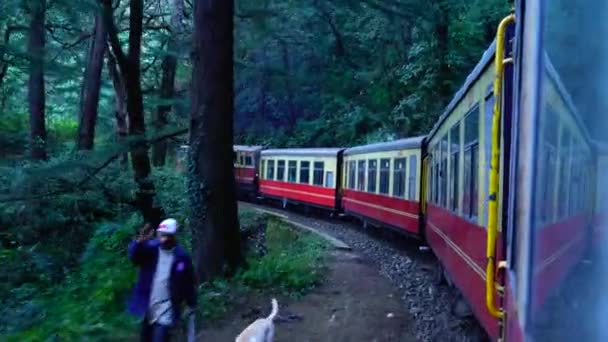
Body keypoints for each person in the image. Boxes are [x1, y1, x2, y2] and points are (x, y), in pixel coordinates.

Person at [127, 218, 197, 342]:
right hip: (149, 306)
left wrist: (191, 303)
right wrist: (138, 243)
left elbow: (188, 282)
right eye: (162, 235)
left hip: (167, 308)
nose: (164, 239)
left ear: (174, 236)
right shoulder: (151, 248)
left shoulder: (182, 257)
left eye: (167, 236)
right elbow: (134, 257)